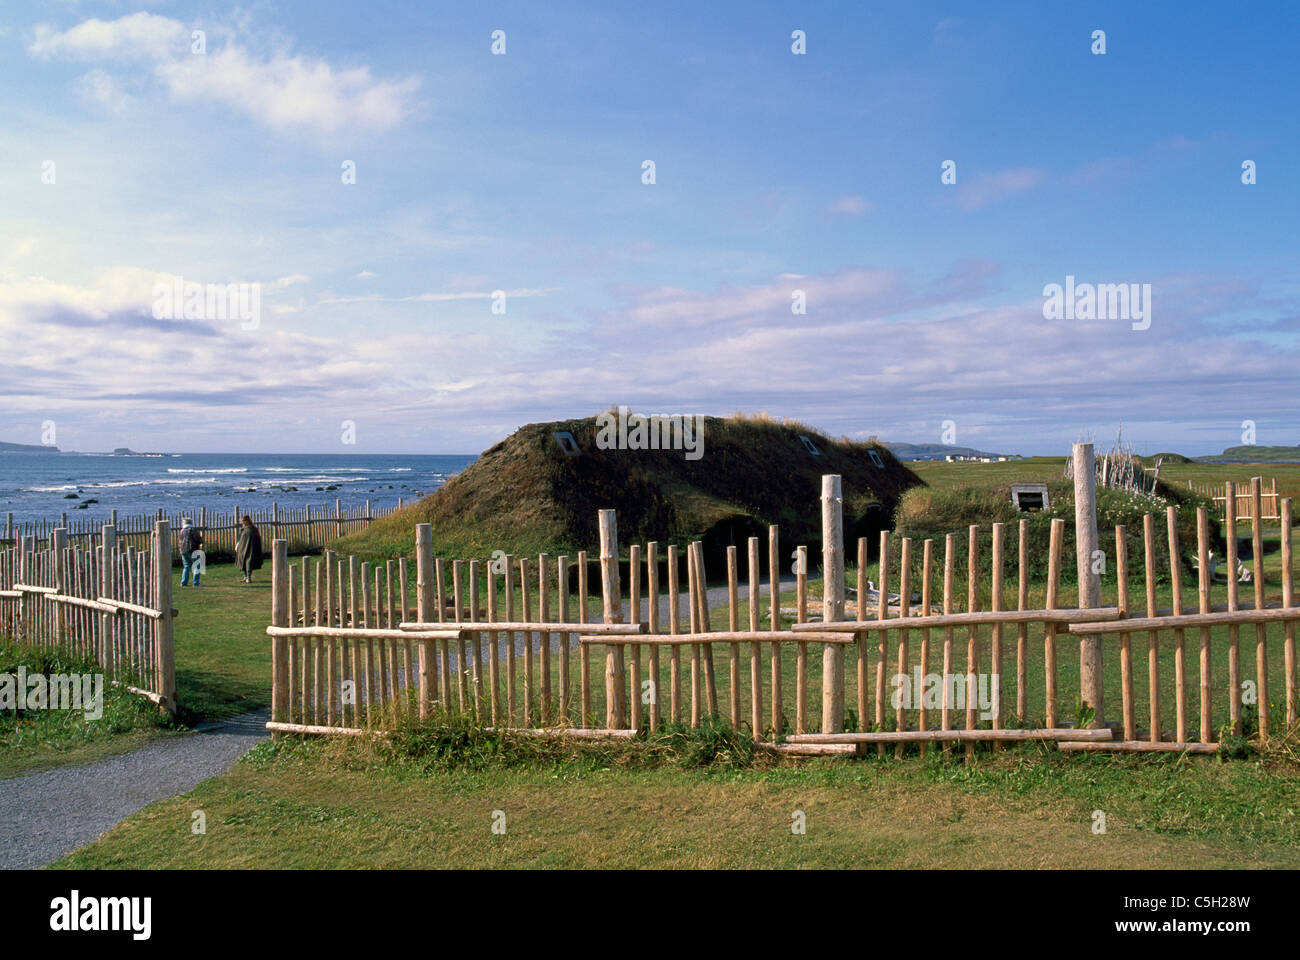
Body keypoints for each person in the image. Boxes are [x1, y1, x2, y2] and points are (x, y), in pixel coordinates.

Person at [235, 514, 264, 583]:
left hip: (251, 548)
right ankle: (245, 576)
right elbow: (240, 539)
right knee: (242, 560)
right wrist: (238, 545)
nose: (243, 522)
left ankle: (248, 577)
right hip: (242, 548)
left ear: (248, 521)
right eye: (242, 521)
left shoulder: (253, 529)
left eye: (244, 521)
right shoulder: (243, 529)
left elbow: (256, 539)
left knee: (249, 561)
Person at [179, 518, 204, 587]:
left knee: (186, 566)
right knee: (197, 566)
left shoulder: (182, 531)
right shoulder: (193, 530)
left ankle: (183, 583)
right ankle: (195, 582)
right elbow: (198, 539)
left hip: (183, 550)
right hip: (192, 550)